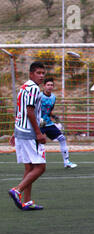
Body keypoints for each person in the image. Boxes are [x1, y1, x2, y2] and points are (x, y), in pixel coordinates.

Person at [8, 62, 47, 211]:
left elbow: (20, 110)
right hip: (29, 133)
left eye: (43, 73)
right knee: (41, 167)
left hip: (20, 130)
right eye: (38, 73)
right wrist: (38, 133)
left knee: (29, 167)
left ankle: (27, 201)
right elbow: (30, 111)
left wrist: (14, 132)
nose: (41, 76)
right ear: (31, 74)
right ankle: (17, 190)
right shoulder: (34, 89)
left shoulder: (23, 87)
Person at [39, 77, 77, 168]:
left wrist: (54, 117)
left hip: (48, 122)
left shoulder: (53, 97)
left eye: (51, 85)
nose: (50, 87)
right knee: (40, 142)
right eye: (48, 85)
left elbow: (49, 111)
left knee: (62, 138)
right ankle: (38, 163)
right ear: (44, 86)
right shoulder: (39, 96)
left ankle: (66, 162)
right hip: (39, 122)